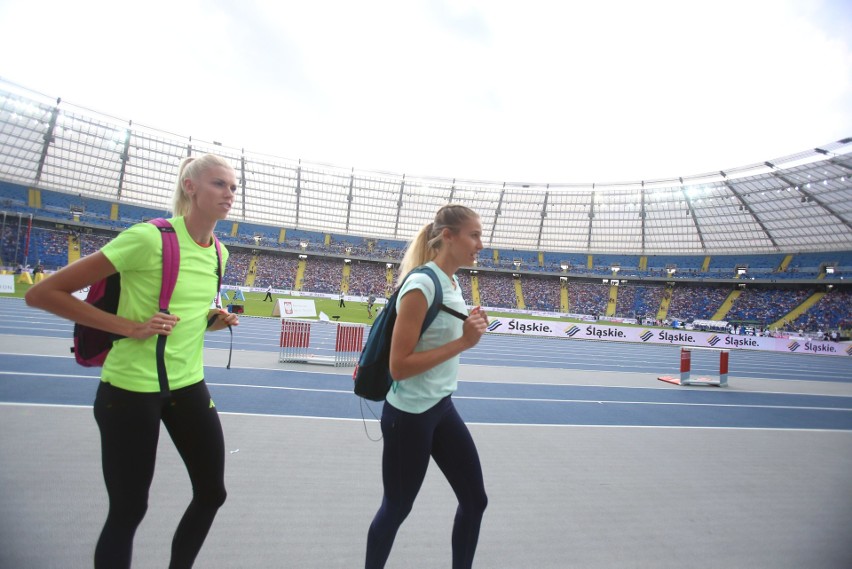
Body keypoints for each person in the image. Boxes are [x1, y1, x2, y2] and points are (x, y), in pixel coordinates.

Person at [25, 154, 240, 569]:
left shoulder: (220, 254)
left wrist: (211, 322)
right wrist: (127, 326)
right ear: (190, 188)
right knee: (128, 511)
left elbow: (183, 317)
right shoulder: (148, 238)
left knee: (212, 493)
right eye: (219, 184)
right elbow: (44, 294)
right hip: (128, 392)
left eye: (233, 187)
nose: (229, 194)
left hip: (187, 387)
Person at [365, 204, 490, 569]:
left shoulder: (451, 282)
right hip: (409, 417)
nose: (481, 244)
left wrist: (468, 327)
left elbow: (438, 336)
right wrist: (463, 342)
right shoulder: (421, 284)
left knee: (475, 500)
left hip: (440, 408)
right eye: (474, 235)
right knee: (397, 507)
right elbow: (399, 366)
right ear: (447, 236)